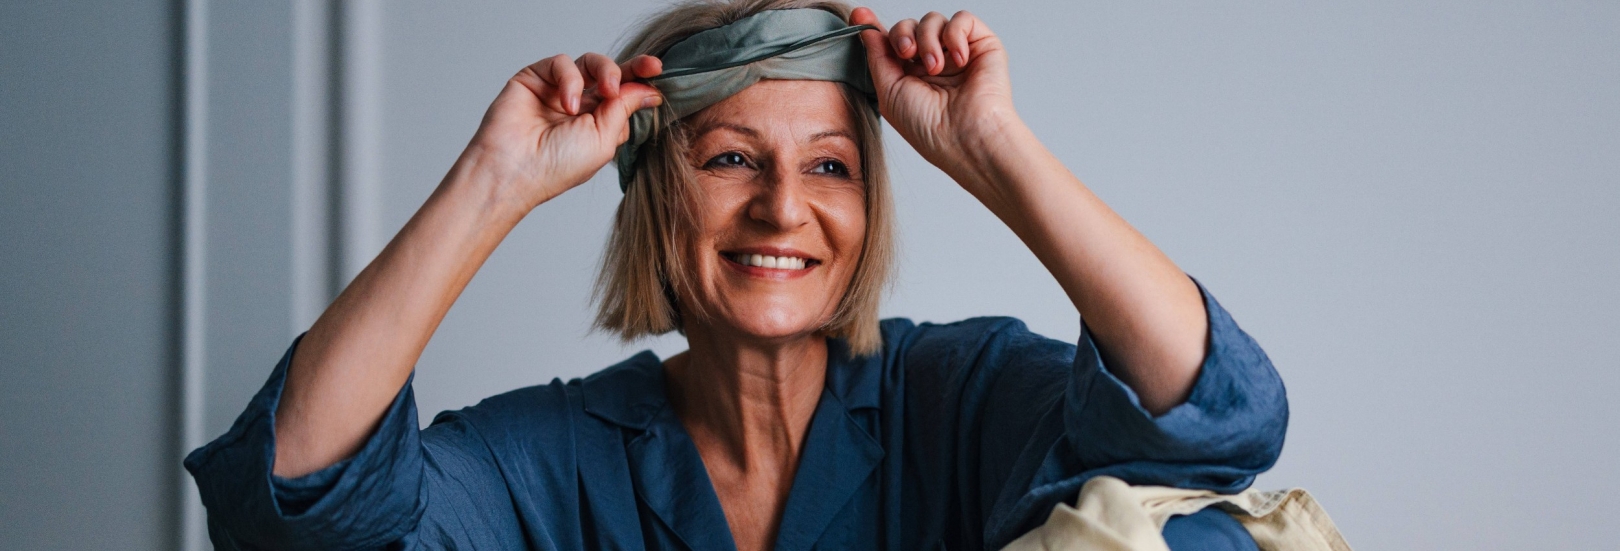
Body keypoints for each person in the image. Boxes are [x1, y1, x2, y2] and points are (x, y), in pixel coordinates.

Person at [185, 1, 1287, 550]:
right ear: (658, 196)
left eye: (829, 166)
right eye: (729, 159)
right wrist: (493, 182)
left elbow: (1212, 414)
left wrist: (991, 146)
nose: (782, 207)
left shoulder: (956, 391)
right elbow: (293, 499)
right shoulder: (554, 459)